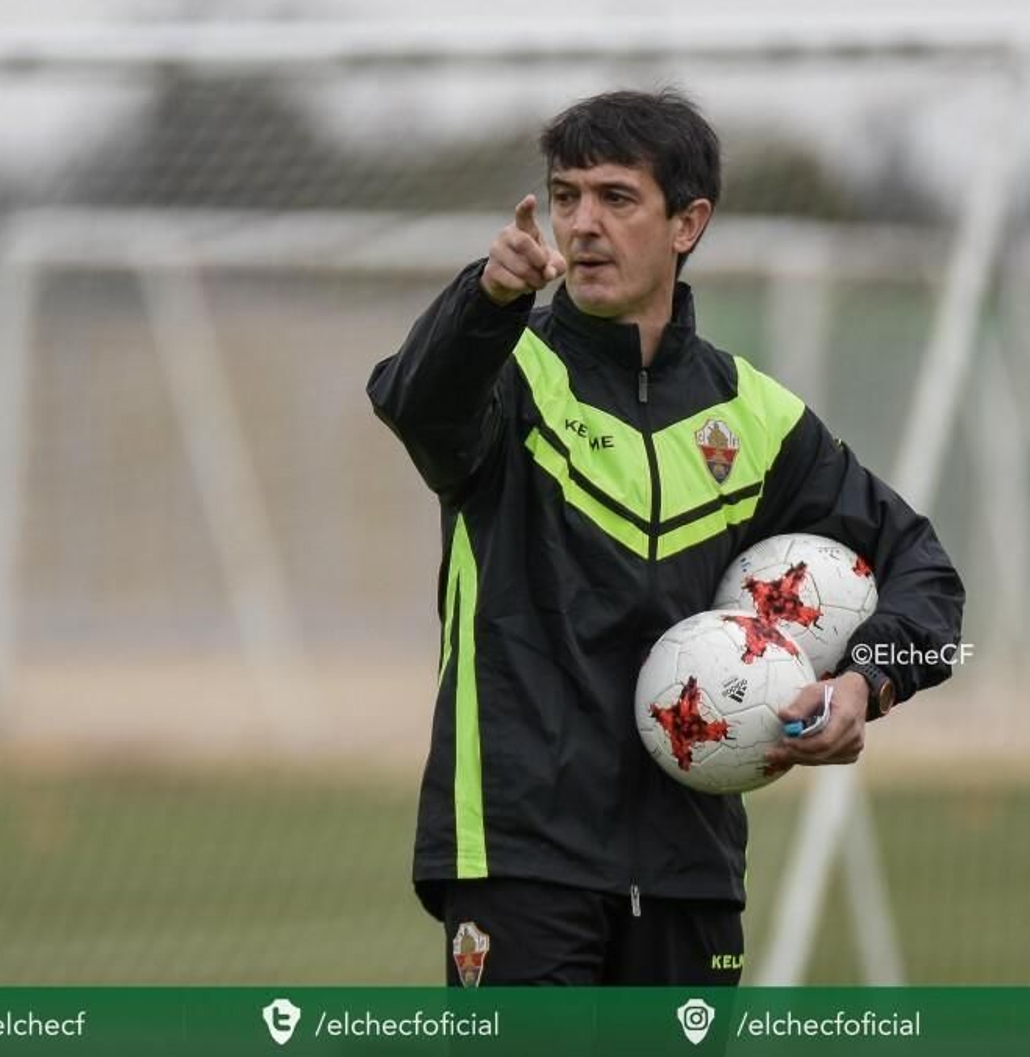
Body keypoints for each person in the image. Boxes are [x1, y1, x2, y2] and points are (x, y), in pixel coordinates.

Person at [366, 89, 964, 986]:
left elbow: (931, 577)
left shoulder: (753, 416)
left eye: (616, 198)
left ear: (688, 223)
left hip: (692, 868)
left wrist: (867, 683)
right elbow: (414, 406)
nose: (583, 225)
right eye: (566, 197)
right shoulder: (508, 370)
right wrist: (486, 299)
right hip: (522, 855)